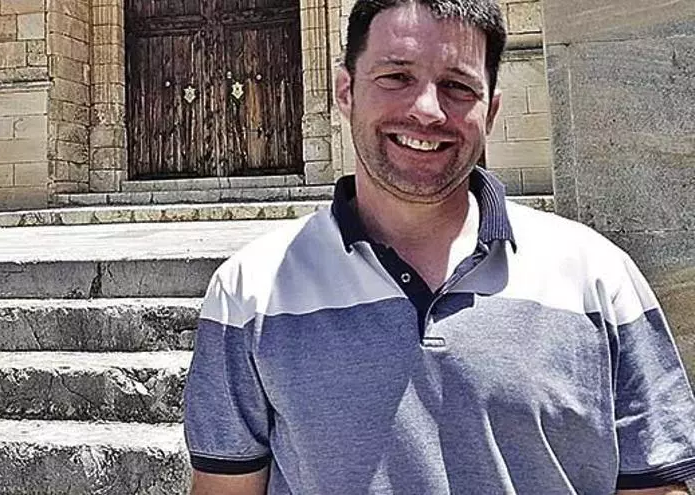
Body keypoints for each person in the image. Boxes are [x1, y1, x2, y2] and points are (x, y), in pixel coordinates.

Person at [183, 0, 695, 493]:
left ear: (492, 111)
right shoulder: (249, 291)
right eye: (396, 77)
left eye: (457, 86)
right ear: (345, 91)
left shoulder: (599, 278)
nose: (426, 110)